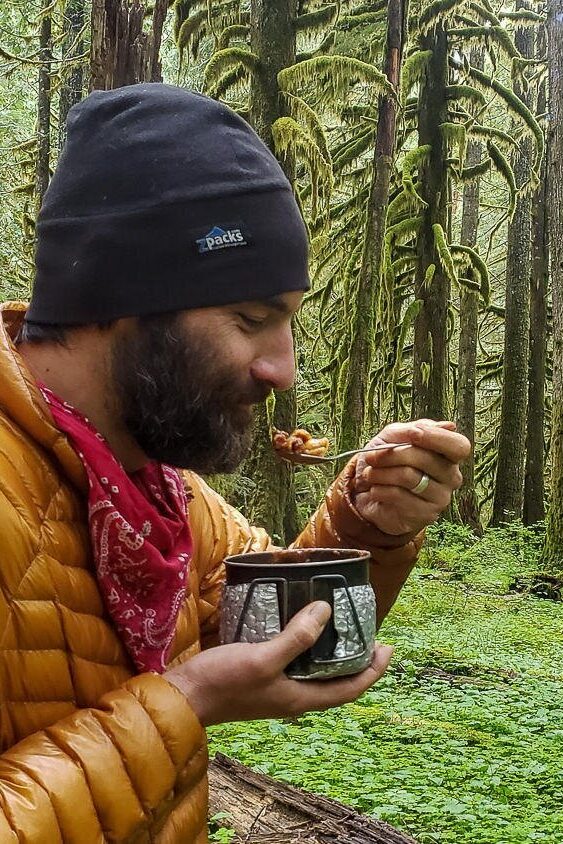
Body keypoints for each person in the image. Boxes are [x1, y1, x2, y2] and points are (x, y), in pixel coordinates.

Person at [0, 83, 470, 842]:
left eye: (285, 320)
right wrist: (181, 705)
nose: (282, 368)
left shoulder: (155, 489)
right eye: (249, 319)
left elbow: (261, 613)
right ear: (115, 297)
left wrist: (369, 522)